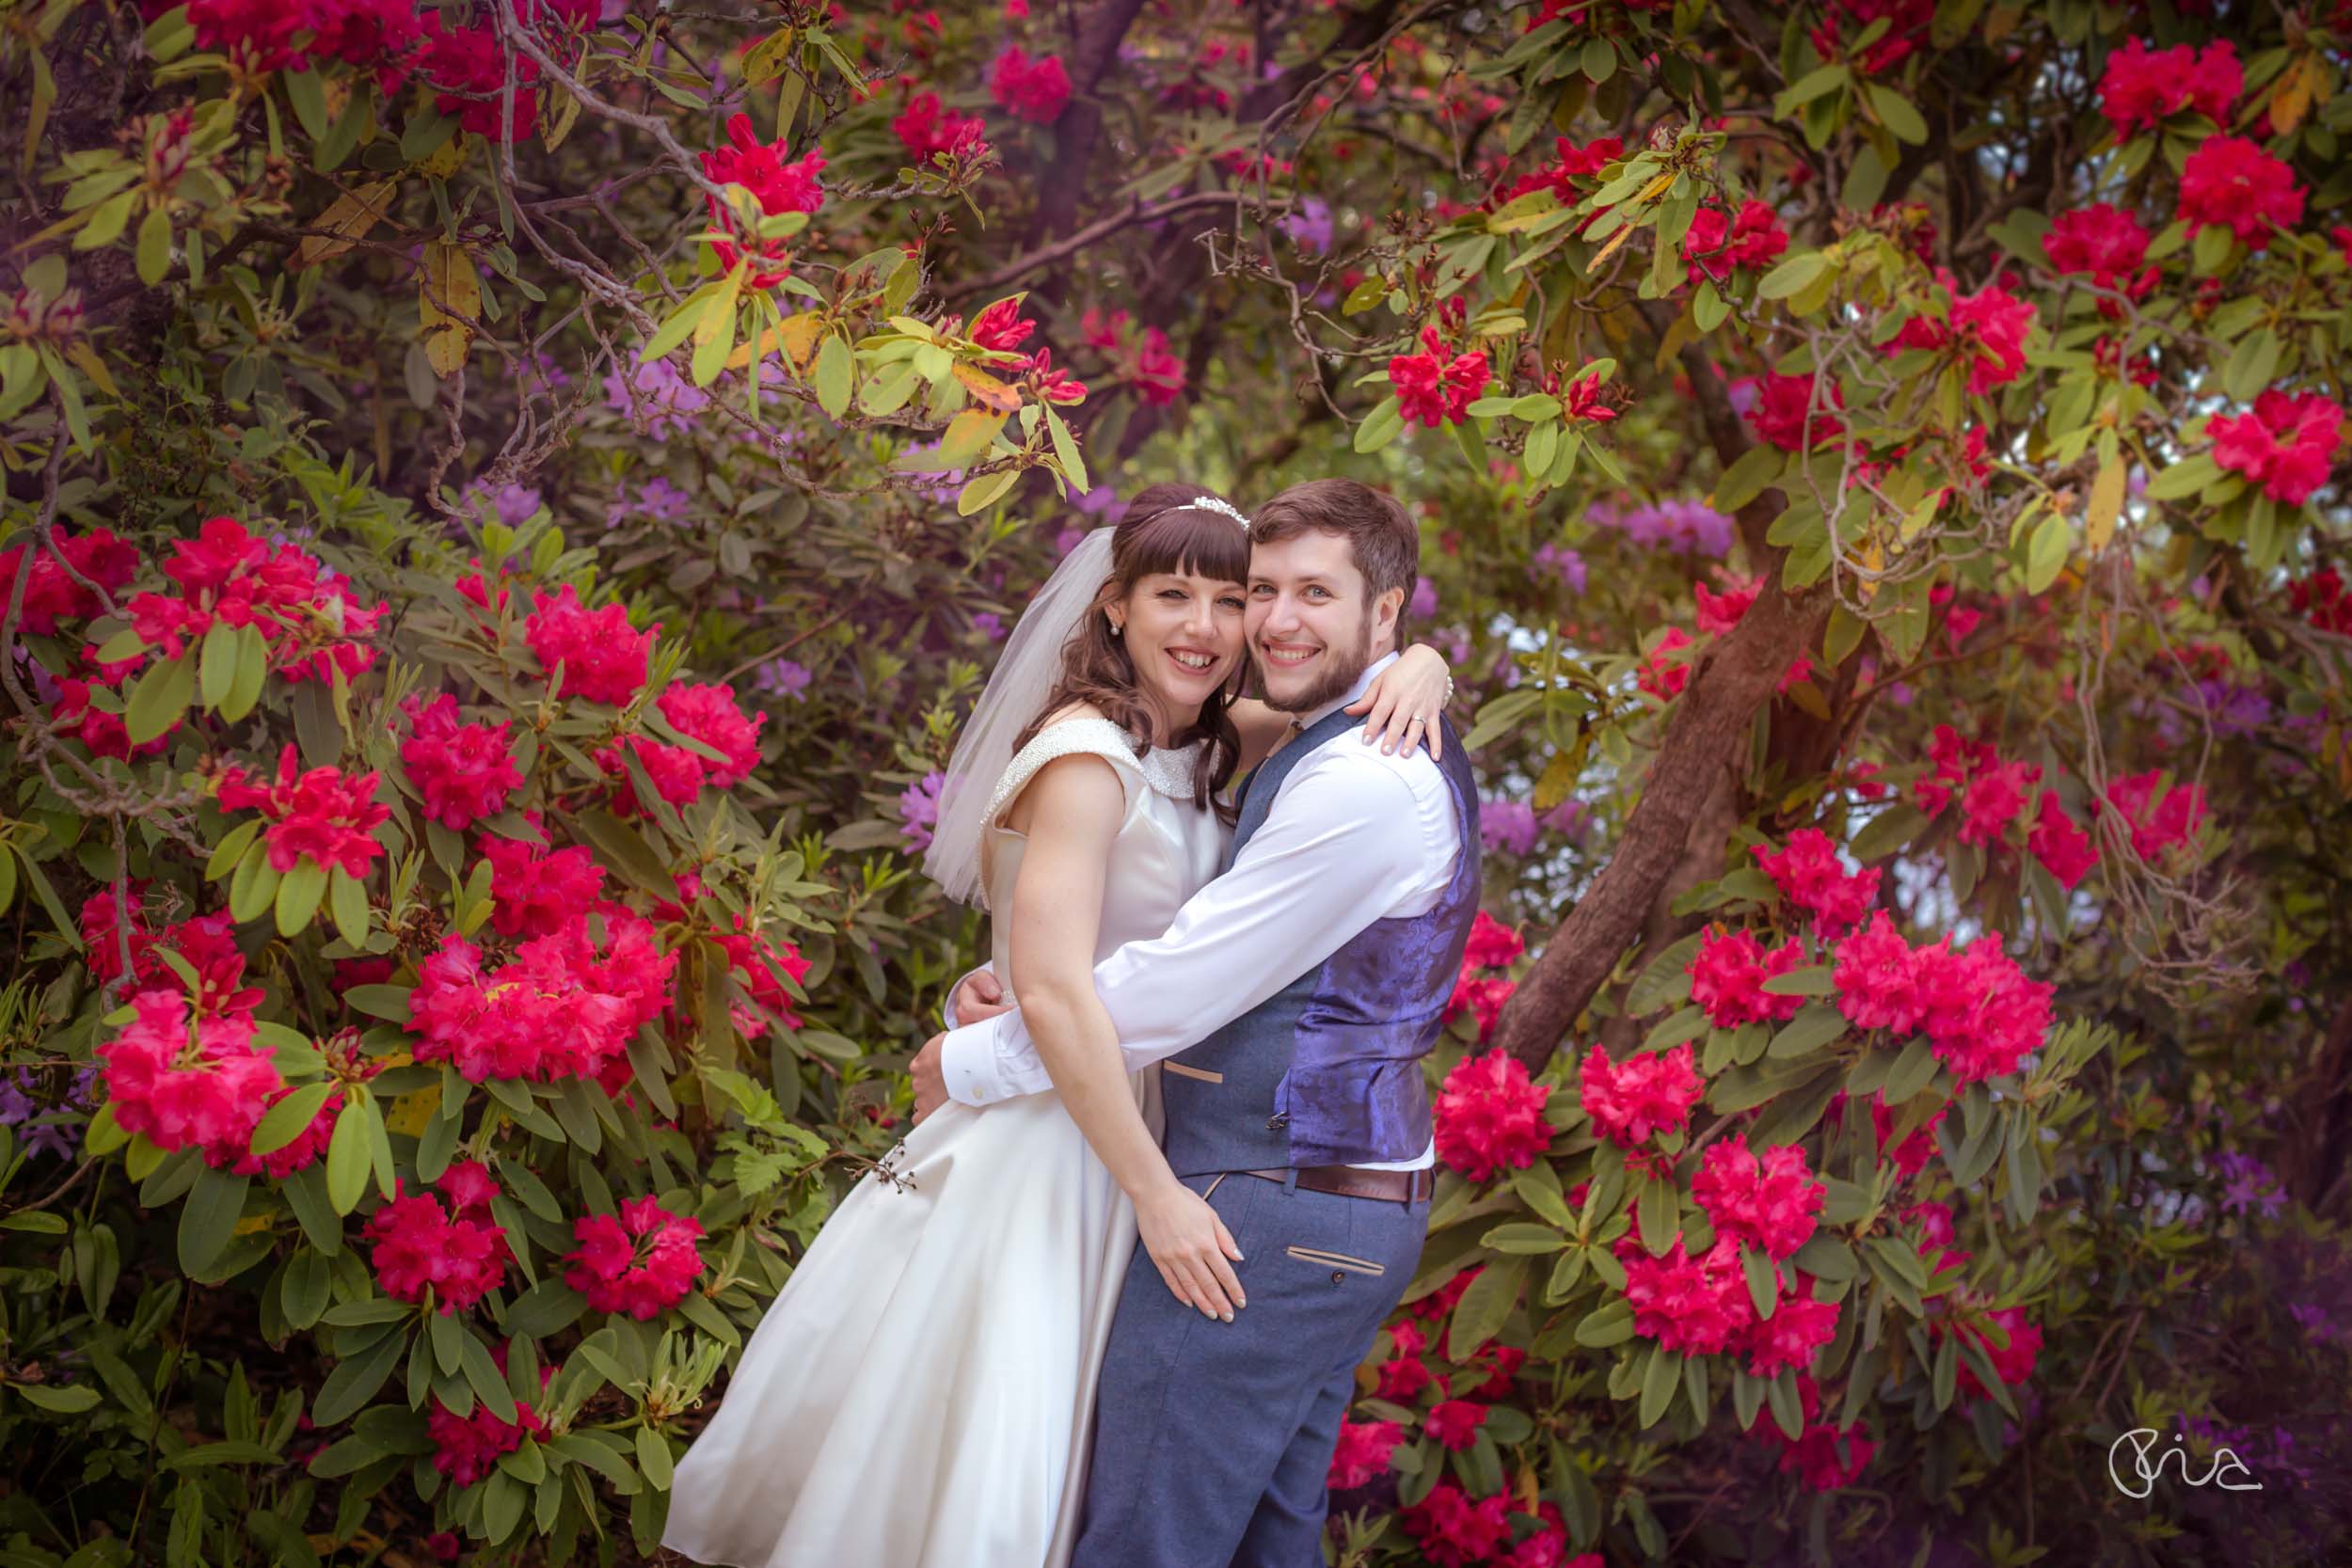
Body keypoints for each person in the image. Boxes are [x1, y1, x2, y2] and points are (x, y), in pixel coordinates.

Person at [660, 482, 1454, 1568]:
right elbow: (1057, 987)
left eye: (1237, 598)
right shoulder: (1088, 757)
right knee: (996, 1454)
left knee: (1109, 1478)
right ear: (1113, 606)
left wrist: (1419, 664)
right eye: (1179, 594)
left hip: (1134, 1131)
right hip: (1065, 1144)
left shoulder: (1212, 740)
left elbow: (1335, 692)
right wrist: (1142, 1181)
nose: (1216, 625)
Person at [914, 477, 1482, 1568]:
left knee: (1146, 1542)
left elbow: (1174, 984)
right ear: (1117, 605)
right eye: (1258, 587)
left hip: (1264, 1205)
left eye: (1313, 591)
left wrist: (970, 1055)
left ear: (1385, 610)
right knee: (1265, 1543)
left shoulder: (1358, 775)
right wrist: (1418, 664)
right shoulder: (1285, 732)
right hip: (1309, 1197)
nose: (1264, 619)